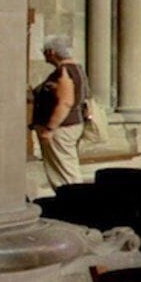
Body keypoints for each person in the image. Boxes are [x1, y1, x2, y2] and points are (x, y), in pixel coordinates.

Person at [28, 38, 90, 191]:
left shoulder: (64, 71)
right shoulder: (76, 69)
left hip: (61, 128)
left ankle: (74, 203)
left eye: (45, 53)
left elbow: (65, 102)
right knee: (62, 169)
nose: (44, 56)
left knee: (65, 172)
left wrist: (50, 129)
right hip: (69, 125)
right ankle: (69, 200)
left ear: (52, 52)